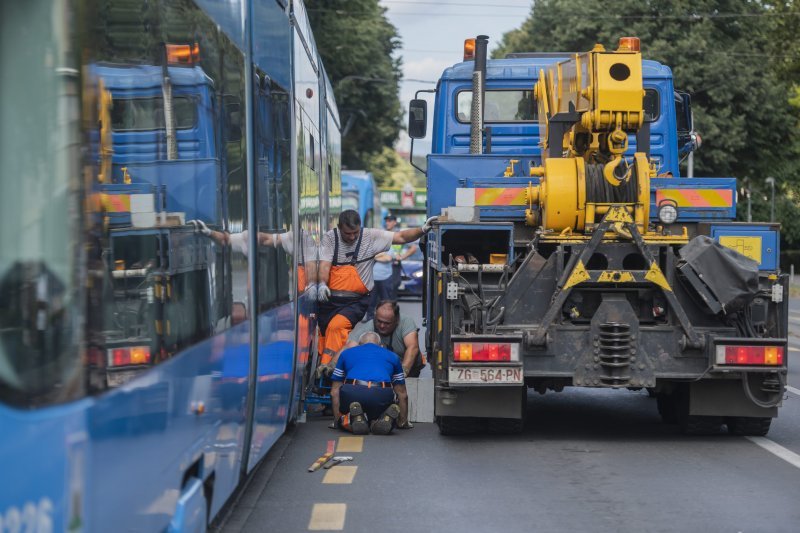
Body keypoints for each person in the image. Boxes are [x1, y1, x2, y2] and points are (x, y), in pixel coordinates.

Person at [315, 209, 435, 373]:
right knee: (324, 334)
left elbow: (401, 237)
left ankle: (330, 372)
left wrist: (422, 230)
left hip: (355, 302)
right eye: (347, 233)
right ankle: (324, 369)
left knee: (336, 327)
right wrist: (322, 284)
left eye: (355, 233)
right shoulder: (330, 238)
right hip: (330, 300)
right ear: (339, 227)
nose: (352, 237)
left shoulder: (370, 237)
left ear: (360, 228)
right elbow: (324, 265)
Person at [330, 332, 410, 434]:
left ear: (359, 345)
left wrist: (337, 420)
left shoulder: (346, 354)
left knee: (344, 417)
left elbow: (334, 391)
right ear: (381, 346)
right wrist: (402, 422)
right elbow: (402, 393)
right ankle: (380, 420)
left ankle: (354, 419)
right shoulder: (393, 356)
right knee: (379, 409)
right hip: (381, 393)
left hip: (353, 392)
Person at [341, 300, 424, 378]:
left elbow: (413, 347)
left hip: (409, 369)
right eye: (379, 321)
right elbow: (349, 347)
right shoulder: (368, 327)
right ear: (375, 316)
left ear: (396, 320)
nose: (382, 326)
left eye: (387, 323)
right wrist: (332, 365)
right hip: (383, 370)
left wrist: (403, 371)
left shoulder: (405, 322)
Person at [384, 214, 419, 298]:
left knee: (392, 291)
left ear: (395, 222)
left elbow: (413, 248)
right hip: (383, 266)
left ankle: (391, 308)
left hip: (394, 266)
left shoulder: (400, 235)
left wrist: (402, 257)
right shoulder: (383, 233)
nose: (387, 223)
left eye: (389, 221)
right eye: (386, 221)